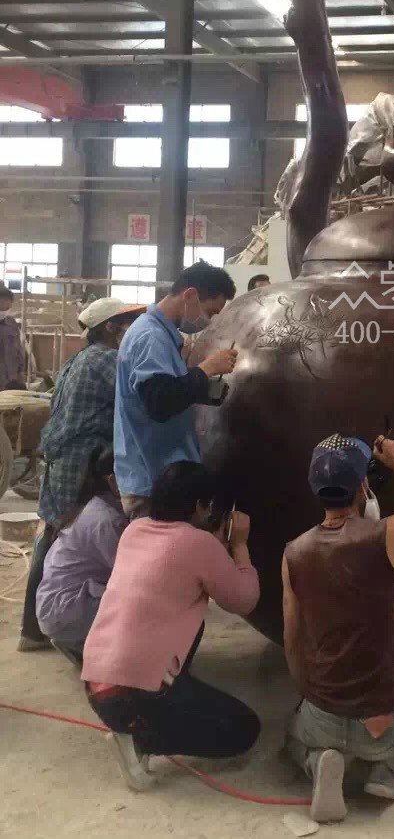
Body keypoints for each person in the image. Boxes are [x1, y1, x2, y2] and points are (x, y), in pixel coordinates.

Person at [283, 434, 394, 823]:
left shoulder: (294, 552)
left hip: (323, 717)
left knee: (292, 735)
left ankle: (317, 763)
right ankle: (385, 767)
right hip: (383, 725)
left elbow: (292, 638)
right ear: (363, 486)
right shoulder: (388, 534)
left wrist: (309, 696)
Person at [82, 460, 261, 792]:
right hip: (134, 696)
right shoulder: (200, 545)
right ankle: (142, 739)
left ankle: (147, 717)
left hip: (98, 684)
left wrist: (213, 545)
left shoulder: (135, 530)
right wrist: (239, 546)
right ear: (200, 506)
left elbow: (176, 564)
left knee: (187, 617)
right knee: (244, 729)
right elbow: (244, 599)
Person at [18, 297, 144, 653]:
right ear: (111, 328)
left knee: (56, 535)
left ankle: (33, 629)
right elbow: (144, 397)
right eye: (128, 323)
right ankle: (42, 627)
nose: (133, 330)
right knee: (63, 536)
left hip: (63, 459)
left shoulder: (78, 358)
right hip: (80, 461)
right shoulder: (106, 359)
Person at [114, 262, 238, 519]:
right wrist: (205, 369)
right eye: (210, 312)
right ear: (190, 295)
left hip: (165, 478)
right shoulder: (150, 337)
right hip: (153, 483)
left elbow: (167, 389)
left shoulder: (162, 335)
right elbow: (159, 402)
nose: (209, 321)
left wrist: (205, 390)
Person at [36, 446, 126, 663]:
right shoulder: (106, 519)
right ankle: (86, 645)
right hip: (63, 611)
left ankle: (80, 642)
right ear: (113, 481)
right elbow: (129, 576)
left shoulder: (97, 505)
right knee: (140, 603)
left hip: (57, 606)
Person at [0, 283, 25, 391]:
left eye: (9, 302)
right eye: (3, 301)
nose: (7, 306)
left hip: (11, 379)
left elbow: (18, 349)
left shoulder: (11, 323)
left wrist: (21, 372)